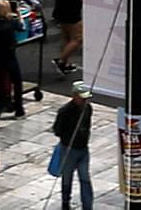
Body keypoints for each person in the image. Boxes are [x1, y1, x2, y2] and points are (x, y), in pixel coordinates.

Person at [53, 81, 94, 210]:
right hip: (69, 149)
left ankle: (87, 206)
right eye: (82, 98)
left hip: (83, 149)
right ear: (74, 95)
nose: (84, 101)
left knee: (85, 177)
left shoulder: (88, 108)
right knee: (67, 177)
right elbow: (57, 130)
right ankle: (65, 202)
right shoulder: (65, 111)